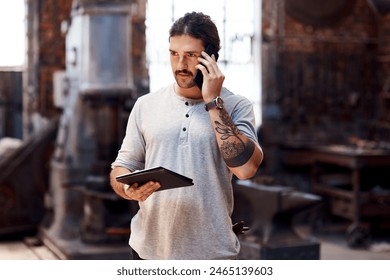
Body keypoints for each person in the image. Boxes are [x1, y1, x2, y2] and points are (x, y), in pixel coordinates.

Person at [110, 11, 263, 260]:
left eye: (190, 55)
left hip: (212, 253)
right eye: (174, 54)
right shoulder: (145, 105)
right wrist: (128, 189)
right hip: (147, 250)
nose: (180, 65)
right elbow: (122, 166)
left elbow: (246, 170)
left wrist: (213, 102)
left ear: (210, 58)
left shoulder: (236, 106)